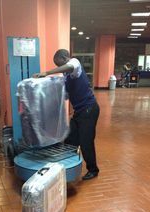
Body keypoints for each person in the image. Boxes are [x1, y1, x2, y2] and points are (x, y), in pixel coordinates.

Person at [34, 49, 100, 180]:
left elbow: (70, 67)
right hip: (79, 112)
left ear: (65, 58)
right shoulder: (67, 77)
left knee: (85, 141)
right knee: (70, 140)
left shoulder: (74, 63)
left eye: (59, 64)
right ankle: (69, 166)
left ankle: (93, 170)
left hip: (89, 109)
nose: (60, 68)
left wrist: (47, 73)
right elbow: (66, 96)